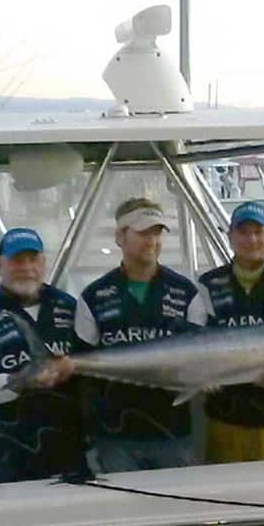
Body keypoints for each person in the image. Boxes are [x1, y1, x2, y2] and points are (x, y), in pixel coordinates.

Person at [73, 197, 208, 472]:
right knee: (122, 512)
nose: (152, 241)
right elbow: (82, 371)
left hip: (173, 432)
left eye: (157, 232)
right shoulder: (94, 296)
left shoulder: (186, 293)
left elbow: (202, 358)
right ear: (120, 237)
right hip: (114, 436)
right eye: (143, 232)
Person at [0, 227, 82, 484]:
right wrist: (25, 380)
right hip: (11, 460)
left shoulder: (70, 307)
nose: (26, 267)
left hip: (74, 456)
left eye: (32, 259)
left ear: (43, 263)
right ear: (0, 265)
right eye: (16, 260)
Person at [197, 201, 264, 464]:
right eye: (243, 232)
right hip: (223, 416)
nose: (252, 239)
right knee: (227, 496)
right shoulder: (207, 285)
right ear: (230, 236)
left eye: (258, 232)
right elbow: (195, 344)